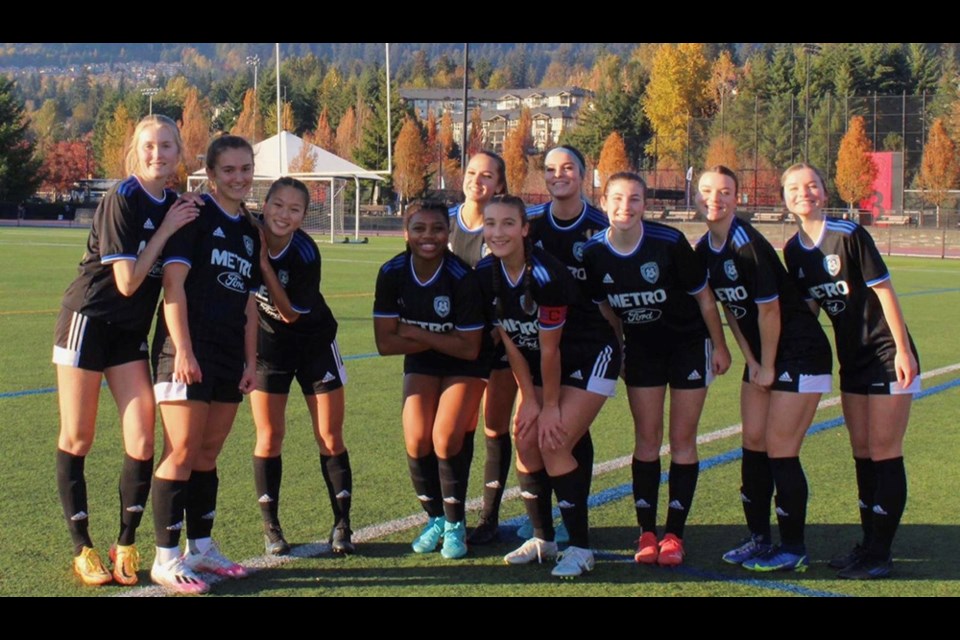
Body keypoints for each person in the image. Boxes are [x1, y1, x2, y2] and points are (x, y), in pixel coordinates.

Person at [53, 114, 198, 586]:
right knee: (79, 437)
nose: (158, 154)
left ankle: (126, 543)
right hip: (88, 321)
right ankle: (82, 548)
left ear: (180, 153)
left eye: (166, 146)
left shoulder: (178, 204)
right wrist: (165, 228)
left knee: (142, 441)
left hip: (128, 334)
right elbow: (128, 280)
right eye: (149, 146)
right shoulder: (124, 197)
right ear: (137, 153)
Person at [582, 172, 731, 566]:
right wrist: (622, 347)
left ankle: (675, 536)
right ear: (603, 201)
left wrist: (719, 345)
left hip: (686, 346)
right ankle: (647, 532)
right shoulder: (594, 252)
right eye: (616, 199)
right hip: (643, 352)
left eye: (633, 199)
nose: (624, 207)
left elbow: (704, 298)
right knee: (647, 440)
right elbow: (605, 308)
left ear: (644, 205)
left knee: (683, 441)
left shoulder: (669, 242)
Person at [781, 163, 920, 579]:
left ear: (823, 192)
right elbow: (807, 312)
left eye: (811, 185)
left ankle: (881, 552)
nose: (803, 192)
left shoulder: (848, 235)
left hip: (884, 353)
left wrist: (902, 350)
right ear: (785, 198)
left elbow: (884, 290)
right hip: (851, 360)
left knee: (884, 450)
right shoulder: (793, 250)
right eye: (793, 188)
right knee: (861, 450)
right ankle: (867, 545)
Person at [694, 166, 832, 573]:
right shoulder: (704, 250)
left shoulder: (747, 244)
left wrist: (768, 365)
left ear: (737, 199)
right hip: (764, 357)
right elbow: (731, 311)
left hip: (799, 353)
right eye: (706, 191)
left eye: (724, 192)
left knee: (780, 448)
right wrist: (751, 361)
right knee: (753, 443)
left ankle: (793, 547)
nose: (714, 199)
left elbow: (768, 310)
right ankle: (758, 538)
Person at [477, 195, 619, 578]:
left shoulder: (545, 274)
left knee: (552, 438)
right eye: (491, 224)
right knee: (524, 436)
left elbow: (550, 347)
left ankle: (581, 548)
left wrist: (550, 405)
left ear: (525, 229)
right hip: (540, 362)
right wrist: (528, 399)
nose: (498, 232)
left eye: (508, 223)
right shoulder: (485, 272)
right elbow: (513, 340)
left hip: (590, 356)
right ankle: (543, 538)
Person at [149, 135, 262, 594]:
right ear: (212, 174)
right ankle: (165, 558)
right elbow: (173, 287)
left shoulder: (250, 231)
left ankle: (202, 546)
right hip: (185, 353)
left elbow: (250, 305)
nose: (239, 177)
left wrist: (251, 360)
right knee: (180, 452)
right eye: (229, 170)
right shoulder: (195, 216)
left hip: (228, 356)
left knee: (207, 455)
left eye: (245, 169)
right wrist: (185, 350)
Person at [373, 200, 486, 560]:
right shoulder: (392, 272)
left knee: (444, 436)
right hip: (423, 361)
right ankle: (436, 517)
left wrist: (413, 330)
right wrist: (433, 337)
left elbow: (469, 349)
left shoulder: (462, 278)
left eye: (437, 229)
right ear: (406, 233)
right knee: (416, 437)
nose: (428, 236)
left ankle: (455, 524)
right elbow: (385, 343)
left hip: (465, 364)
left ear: (448, 233)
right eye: (419, 228)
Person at [251, 177, 355, 556]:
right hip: (269, 348)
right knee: (268, 436)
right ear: (265, 204)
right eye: (278, 205)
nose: (284, 215)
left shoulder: (306, 253)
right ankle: (271, 527)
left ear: (303, 216)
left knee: (329, 436)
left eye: (294, 210)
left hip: (314, 345)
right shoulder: (245, 232)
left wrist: (263, 265)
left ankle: (342, 523)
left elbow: (292, 314)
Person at [444, 151, 513, 546]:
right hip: (458, 343)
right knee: (459, 427)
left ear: (499, 184)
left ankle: (489, 516)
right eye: (472, 173)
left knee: (495, 426)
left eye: (488, 176)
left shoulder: (504, 225)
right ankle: (452, 516)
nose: (478, 181)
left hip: (499, 341)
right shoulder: (447, 221)